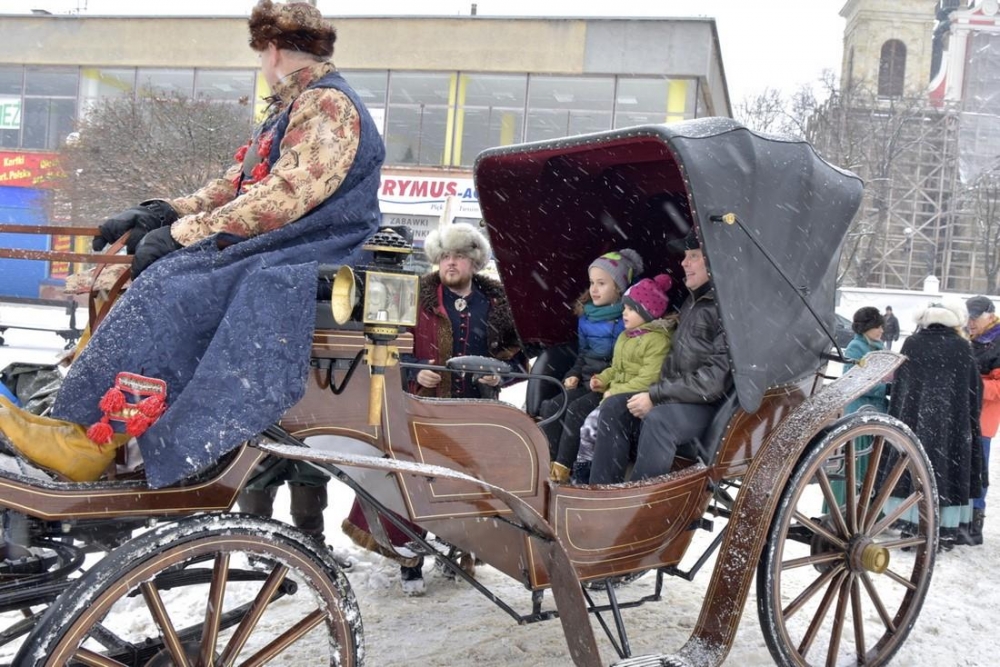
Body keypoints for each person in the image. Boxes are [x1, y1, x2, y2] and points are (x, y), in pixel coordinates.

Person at [46, 0, 385, 495]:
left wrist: (184, 234)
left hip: (320, 249)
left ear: (272, 49)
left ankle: (108, 438)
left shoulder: (327, 105)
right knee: (159, 276)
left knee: (175, 288)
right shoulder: (293, 108)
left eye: (261, 53)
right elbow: (237, 186)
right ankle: (85, 424)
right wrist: (164, 213)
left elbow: (283, 197)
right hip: (294, 243)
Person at [342, 221, 526, 596]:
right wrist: (414, 371)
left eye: (458, 256)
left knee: (466, 487)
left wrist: (499, 376)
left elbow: (516, 359)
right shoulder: (415, 297)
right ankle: (409, 559)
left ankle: (462, 549)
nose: (450, 263)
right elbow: (388, 347)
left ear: (474, 262)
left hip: (476, 414)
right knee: (411, 484)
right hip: (422, 409)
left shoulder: (497, 305)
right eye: (444, 256)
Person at [588, 229, 732, 485]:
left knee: (659, 420)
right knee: (614, 407)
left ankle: (640, 501)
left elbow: (712, 382)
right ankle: (603, 489)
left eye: (693, 256)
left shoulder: (725, 310)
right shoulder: (693, 302)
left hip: (708, 407)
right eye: (685, 256)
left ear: (714, 260)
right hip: (676, 395)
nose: (684, 263)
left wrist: (656, 396)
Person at [883, 298, 983, 551]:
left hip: (914, 421)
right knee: (946, 472)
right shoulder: (961, 346)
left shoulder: (912, 343)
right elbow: (974, 389)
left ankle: (909, 524)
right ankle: (941, 529)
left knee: (911, 467)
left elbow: (900, 386)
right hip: (952, 424)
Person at [540, 249, 644, 482]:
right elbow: (583, 354)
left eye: (601, 283)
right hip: (587, 381)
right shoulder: (586, 317)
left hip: (609, 385)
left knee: (576, 411)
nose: (594, 289)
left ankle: (563, 469)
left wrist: (606, 381)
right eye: (592, 283)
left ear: (619, 288)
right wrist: (574, 373)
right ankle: (547, 461)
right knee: (552, 406)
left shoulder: (628, 320)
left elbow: (625, 363)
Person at [561, 274, 676, 484]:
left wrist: (615, 391)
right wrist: (602, 379)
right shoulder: (626, 336)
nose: (624, 313)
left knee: (590, 427)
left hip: (633, 398)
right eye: (624, 308)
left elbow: (648, 379)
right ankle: (582, 472)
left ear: (647, 312)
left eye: (631, 309)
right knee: (586, 427)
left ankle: (586, 476)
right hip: (614, 394)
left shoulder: (657, 341)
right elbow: (616, 368)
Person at [829, 307, 889, 508]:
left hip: (875, 412)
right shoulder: (856, 348)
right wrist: (885, 388)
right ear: (866, 327)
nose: (881, 330)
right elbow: (854, 381)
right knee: (858, 465)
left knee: (872, 465)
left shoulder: (878, 347)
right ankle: (847, 506)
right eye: (877, 326)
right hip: (860, 411)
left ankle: (869, 507)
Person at [967, 295, 999, 545]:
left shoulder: (997, 342)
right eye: (968, 317)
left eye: (975, 318)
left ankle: (974, 524)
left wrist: (973, 383)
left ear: (989, 317)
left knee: (978, 470)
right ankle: (960, 519)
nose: (970, 322)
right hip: (962, 415)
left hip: (984, 417)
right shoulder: (968, 339)